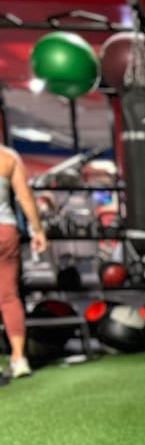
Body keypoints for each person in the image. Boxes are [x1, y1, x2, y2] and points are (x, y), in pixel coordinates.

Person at [0, 145, 48, 379]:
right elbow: (25, 195)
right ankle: (19, 359)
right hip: (5, 230)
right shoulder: (8, 157)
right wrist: (38, 230)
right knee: (8, 296)